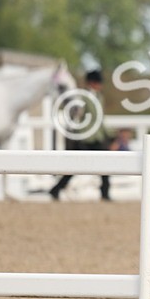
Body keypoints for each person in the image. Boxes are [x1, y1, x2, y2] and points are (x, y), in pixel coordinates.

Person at [49, 69, 115, 201]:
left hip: (97, 138)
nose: (100, 85)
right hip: (84, 138)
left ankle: (105, 193)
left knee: (106, 165)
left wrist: (109, 135)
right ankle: (56, 189)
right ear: (91, 83)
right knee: (75, 166)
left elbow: (100, 119)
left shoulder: (99, 97)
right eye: (98, 82)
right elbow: (77, 116)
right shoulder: (82, 97)